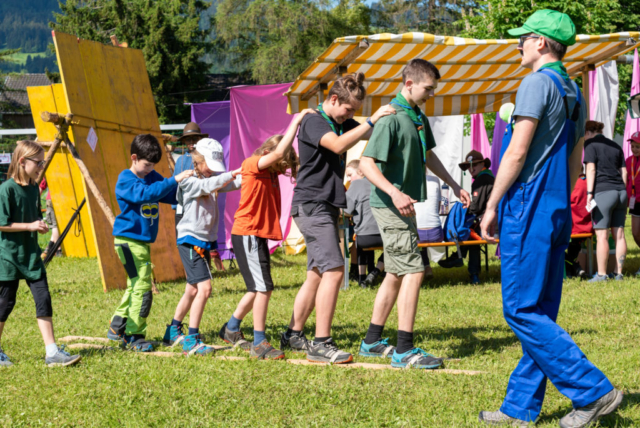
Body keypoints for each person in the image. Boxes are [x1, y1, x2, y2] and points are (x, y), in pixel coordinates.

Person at [479, 10, 622, 427]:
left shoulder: (536, 82)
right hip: (557, 205)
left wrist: (492, 204)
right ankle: (519, 407)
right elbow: (576, 158)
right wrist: (562, 200)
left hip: (528, 204)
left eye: (522, 38)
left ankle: (592, 391)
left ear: (540, 42)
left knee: (521, 310)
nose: (518, 45)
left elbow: (517, 151)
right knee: (540, 309)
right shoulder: (573, 89)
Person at [358, 59, 471, 368]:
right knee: (415, 270)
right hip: (390, 205)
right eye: (428, 89)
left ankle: (371, 341)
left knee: (396, 272)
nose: (431, 94)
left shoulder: (417, 115)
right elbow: (366, 163)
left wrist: (453, 185)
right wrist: (395, 193)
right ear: (409, 84)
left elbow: (427, 156)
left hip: (403, 206)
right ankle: (403, 350)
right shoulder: (391, 118)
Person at [280, 72, 397, 364]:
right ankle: (321, 343)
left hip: (324, 206)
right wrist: (371, 120)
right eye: (348, 109)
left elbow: (368, 133)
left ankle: (293, 334)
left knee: (317, 273)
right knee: (334, 270)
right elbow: (337, 145)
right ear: (333, 99)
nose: (351, 115)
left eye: (355, 111)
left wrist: (394, 117)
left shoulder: (340, 121)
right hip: (313, 205)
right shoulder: (314, 121)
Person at [220, 110, 311, 360]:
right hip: (247, 233)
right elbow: (279, 154)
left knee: (256, 288)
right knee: (263, 288)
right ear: (269, 152)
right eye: (281, 162)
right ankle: (259, 343)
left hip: (253, 235)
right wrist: (296, 121)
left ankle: (231, 329)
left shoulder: (271, 170)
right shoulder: (253, 163)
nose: (283, 168)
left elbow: (292, 161)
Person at [107, 134, 193, 352]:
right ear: (134, 158)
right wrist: (173, 179)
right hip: (129, 242)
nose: (150, 169)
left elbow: (169, 194)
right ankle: (134, 335)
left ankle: (117, 326)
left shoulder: (151, 175)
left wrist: (191, 187)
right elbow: (145, 194)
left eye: (153, 166)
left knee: (135, 284)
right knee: (143, 288)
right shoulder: (125, 179)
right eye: (146, 165)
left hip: (139, 242)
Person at [0, 141, 81, 367]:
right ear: (22, 161)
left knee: (43, 297)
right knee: (5, 302)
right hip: (8, 257)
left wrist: (39, 224)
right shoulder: (6, 189)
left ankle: (52, 353)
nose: (41, 166)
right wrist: (30, 226)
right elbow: (2, 223)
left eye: (43, 162)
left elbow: (34, 217)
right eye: (38, 162)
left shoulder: (35, 188)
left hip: (31, 256)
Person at [163, 139, 241, 356]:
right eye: (209, 165)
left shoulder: (211, 178)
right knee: (205, 289)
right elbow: (207, 186)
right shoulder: (189, 180)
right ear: (198, 159)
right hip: (190, 240)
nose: (212, 171)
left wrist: (251, 172)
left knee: (192, 289)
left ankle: (172, 331)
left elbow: (231, 184)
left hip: (203, 242)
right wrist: (232, 173)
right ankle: (191, 340)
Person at [439, 150, 494, 284]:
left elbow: (475, 207)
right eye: (469, 166)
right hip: (493, 222)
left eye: (474, 164)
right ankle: (464, 262)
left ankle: (462, 260)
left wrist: (462, 207)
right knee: (469, 231)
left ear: (482, 164)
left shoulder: (482, 179)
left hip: (490, 225)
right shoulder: (489, 177)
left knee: (468, 232)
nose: (470, 168)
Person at [583, 120, 627, 281]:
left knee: (602, 235)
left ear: (588, 132)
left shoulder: (590, 145)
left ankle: (601, 274)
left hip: (603, 192)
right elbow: (624, 172)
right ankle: (618, 273)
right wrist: (622, 189)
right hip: (621, 192)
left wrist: (589, 193)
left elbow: (591, 169)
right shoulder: (616, 145)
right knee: (619, 234)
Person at [345, 159, 385, 287]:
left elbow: (346, 211)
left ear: (361, 172)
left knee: (360, 238)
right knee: (394, 247)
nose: (349, 179)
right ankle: (375, 271)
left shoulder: (356, 184)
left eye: (350, 175)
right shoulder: (380, 182)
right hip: (385, 235)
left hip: (364, 238)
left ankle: (362, 279)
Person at [414, 173, 443, 280]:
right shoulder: (435, 179)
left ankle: (423, 267)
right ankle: (427, 267)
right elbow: (438, 208)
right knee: (422, 238)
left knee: (416, 235)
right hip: (436, 233)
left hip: (418, 234)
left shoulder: (410, 179)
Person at [565, 171, 592, 279]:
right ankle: (573, 269)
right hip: (587, 227)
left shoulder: (570, 182)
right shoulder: (589, 182)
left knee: (554, 246)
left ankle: (575, 267)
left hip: (573, 228)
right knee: (574, 245)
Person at [625, 131, 640, 275]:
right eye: (633, 146)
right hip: (634, 202)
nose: (634, 149)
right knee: (635, 233)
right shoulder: (628, 161)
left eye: (638, 147)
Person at [38, 178, 60, 260]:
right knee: (56, 225)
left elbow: (41, 187)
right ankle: (52, 248)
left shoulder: (49, 172)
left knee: (55, 226)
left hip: (52, 199)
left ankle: (57, 249)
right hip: (64, 197)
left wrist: (36, 201)